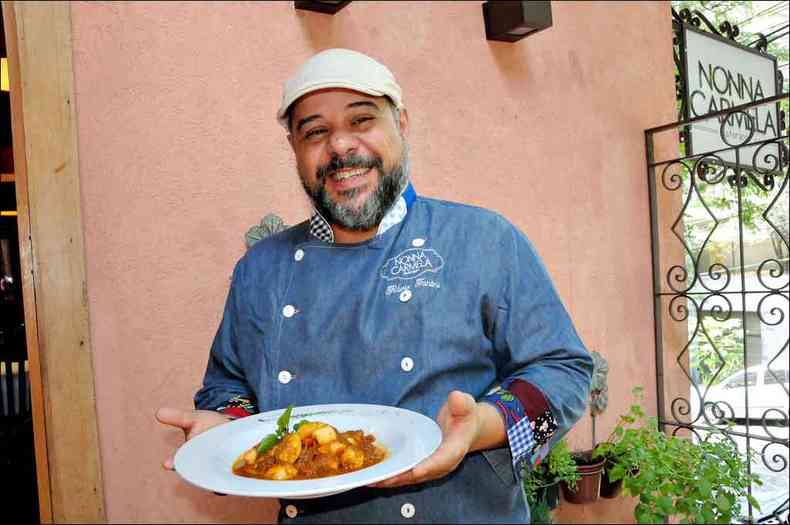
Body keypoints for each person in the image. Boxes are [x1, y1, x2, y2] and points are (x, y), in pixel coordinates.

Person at [157, 48, 592, 524]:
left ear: (401, 124)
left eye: (361, 121)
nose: (340, 147)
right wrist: (227, 428)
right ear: (294, 150)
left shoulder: (485, 240)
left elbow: (567, 377)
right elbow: (229, 386)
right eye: (316, 131)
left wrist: (483, 426)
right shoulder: (260, 270)